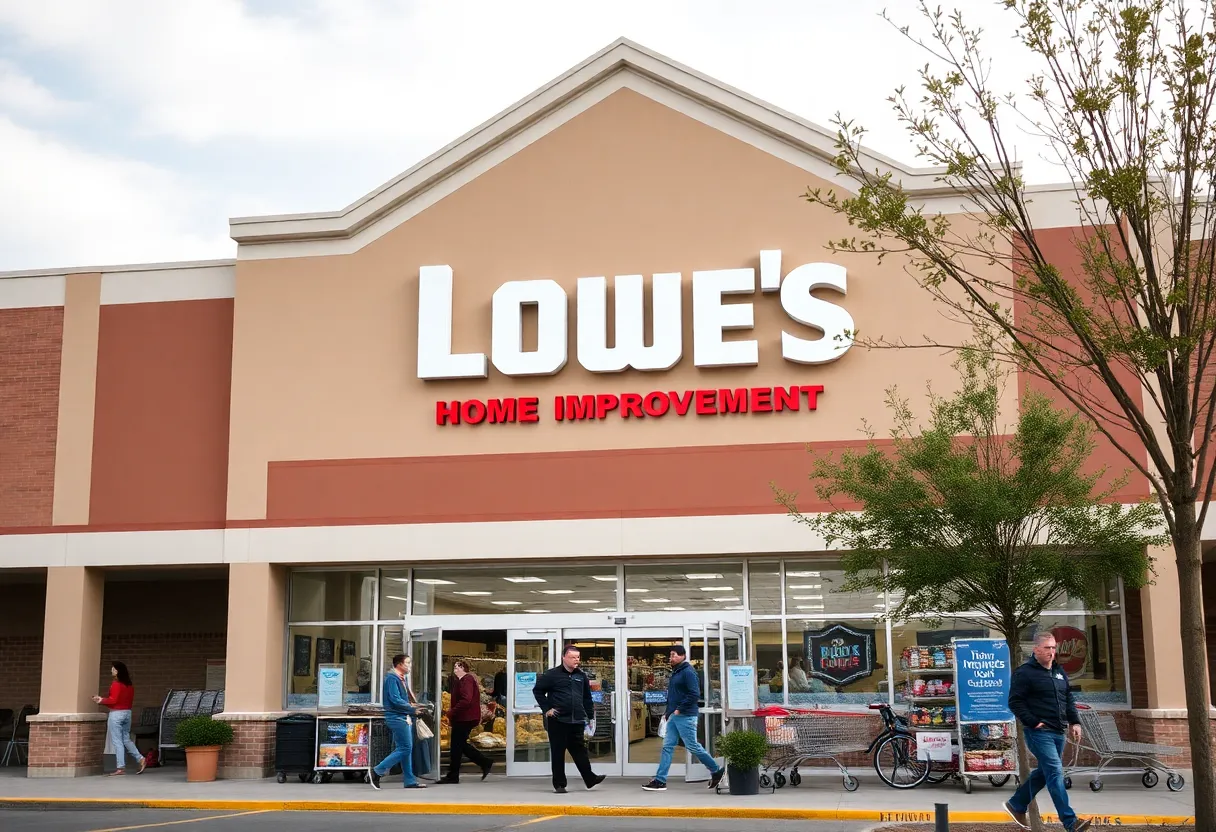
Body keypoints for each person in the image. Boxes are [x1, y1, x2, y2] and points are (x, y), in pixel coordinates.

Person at [1003, 633, 1091, 832]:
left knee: (1044, 773)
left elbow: (1068, 698)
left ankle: (1016, 804)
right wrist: (1034, 722)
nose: (1052, 652)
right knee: (1055, 771)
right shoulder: (1025, 673)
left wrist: (1074, 722)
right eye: (1047, 648)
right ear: (1036, 650)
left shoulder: (1059, 672)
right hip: (1039, 732)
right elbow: (1015, 702)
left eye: (1053, 648)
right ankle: (1070, 822)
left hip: (1058, 731)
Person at [642, 645, 724, 791]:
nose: (670, 658)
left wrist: (679, 709)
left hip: (685, 716)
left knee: (693, 746)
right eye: (670, 655)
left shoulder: (688, 672)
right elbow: (674, 695)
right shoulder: (676, 672)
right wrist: (668, 713)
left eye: (673, 655)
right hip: (674, 716)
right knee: (667, 747)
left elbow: (694, 693)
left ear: (683, 656)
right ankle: (660, 780)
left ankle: (716, 770)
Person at [532, 644, 606, 794]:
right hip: (558, 720)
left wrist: (590, 716)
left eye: (577, 657)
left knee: (580, 751)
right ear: (564, 658)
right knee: (558, 752)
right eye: (572, 657)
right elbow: (538, 691)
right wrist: (547, 709)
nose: (576, 660)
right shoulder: (552, 675)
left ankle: (590, 779)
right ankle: (559, 784)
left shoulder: (581, 676)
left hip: (576, 720)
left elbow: (586, 697)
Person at [370, 654, 427, 790]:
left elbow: (402, 699)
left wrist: (413, 707)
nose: (410, 665)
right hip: (396, 717)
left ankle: (409, 780)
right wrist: (412, 708)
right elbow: (395, 699)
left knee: (405, 749)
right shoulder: (392, 678)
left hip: (402, 716)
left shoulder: (401, 678)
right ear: (399, 665)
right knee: (405, 748)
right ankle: (377, 770)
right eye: (407, 663)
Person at [438, 660, 493, 784]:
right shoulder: (463, 680)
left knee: (457, 746)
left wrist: (452, 711)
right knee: (459, 745)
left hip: (464, 718)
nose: (454, 669)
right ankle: (484, 762)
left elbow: (466, 699)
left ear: (463, 668)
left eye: (457, 667)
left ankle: (454, 775)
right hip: (464, 717)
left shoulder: (466, 680)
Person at [92, 661, 145, 776]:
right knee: (126, 739)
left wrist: (100, 700)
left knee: (117, 741)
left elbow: (113, 700)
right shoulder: (129, 685)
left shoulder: (116, 684)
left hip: (116, 714)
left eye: (113, 669)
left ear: (118, 672)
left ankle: (120, 767)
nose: (111, 670)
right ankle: (140, 758)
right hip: (127, 713)